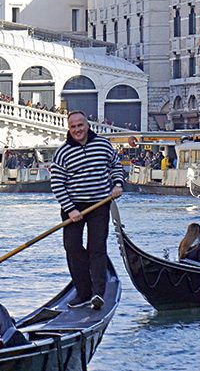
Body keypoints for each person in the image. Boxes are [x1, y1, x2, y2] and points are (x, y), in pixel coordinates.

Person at [50, 111, 124, 310]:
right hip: (73, 206)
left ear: (87, 125)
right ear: (69, 128)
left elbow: (115, 165)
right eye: (73, 127)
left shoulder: (103, 145)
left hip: (100, 204)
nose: (77, 130)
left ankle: (98, 293)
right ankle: (83, 291)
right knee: (72, 247)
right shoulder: (63, 152)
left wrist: (117, 184)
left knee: (97, 247)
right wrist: (71, 209)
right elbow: (57, 183)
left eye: (80, 125)